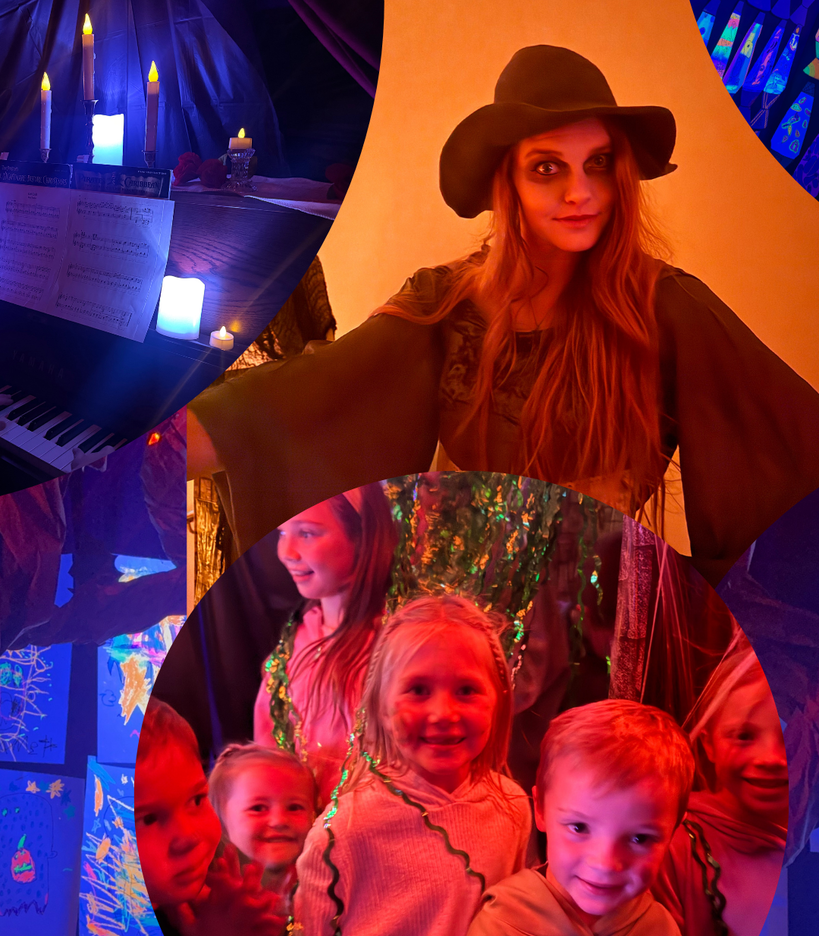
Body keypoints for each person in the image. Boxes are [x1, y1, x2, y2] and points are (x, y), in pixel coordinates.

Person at [187, 44, 819, 589]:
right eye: (548, 168)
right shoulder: (447, 307)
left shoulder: (665, 309)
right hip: (451, 635)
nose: (581, 193)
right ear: (506, 181)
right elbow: (297, 403)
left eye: (598, 163)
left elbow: (789, 448)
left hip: (603, 646)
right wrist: (155, 445)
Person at [277, 595, 532, 936]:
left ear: (498, 701)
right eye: (418, 690)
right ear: (379, 702)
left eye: (467, 690)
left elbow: (526, 931)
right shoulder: (344, 830)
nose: (442, 714)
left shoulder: (514, 808)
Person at [441, 699, 702, 936]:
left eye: (639, 839)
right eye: (579, 827)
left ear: (674, 830)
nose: (606, 863)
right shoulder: (501, 931)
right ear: (540, 810)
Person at [653, 638, 788, 936]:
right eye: (744, 736)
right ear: (709, 744)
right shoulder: (676, 848)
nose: (772, 759)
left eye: (789, 735)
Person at [135, 699, 284, 936]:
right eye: (147, 819)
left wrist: (249, 920)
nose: (189, 836)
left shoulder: (210, 869)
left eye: (196, 800)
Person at [254, 481, 396, 808]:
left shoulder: (396, 647)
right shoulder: (295, 644)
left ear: (362, 537)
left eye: (307, 533)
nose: (286, 553)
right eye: (281, 533)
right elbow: (269, 745)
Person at [208, 742, 318, 912]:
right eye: (258, 808)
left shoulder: (322, 880)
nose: (279, 821)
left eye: (295, 807)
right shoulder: (212, 893)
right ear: (220, 818)